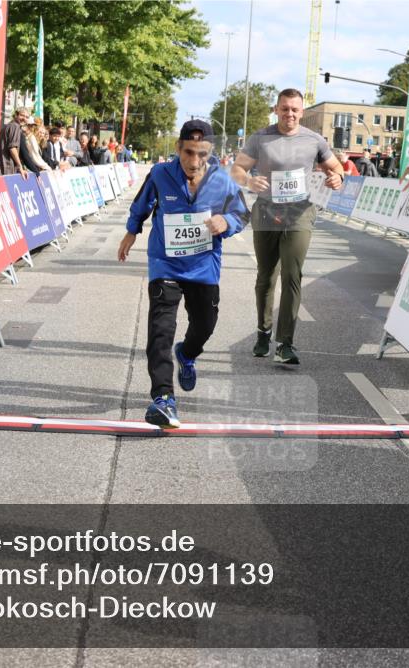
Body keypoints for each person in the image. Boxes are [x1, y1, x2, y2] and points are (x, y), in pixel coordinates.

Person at [117, 120, 249, 428]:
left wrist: (226, 222)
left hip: (204, 267)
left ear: (210, 151)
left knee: (205, 325)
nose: (193, 161)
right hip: (166, 264)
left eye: (201, 153)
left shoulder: (222, 181)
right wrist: (131, 231)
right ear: (178, 149)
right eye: (188, 152)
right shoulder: (161, 174)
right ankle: (163, 399)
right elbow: (142, 204)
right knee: (160, 329)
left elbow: (243, 213)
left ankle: (187, 355)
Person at [230, 88, 344, 365]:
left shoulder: (314, 140)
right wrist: (248, 181)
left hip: (300, 213)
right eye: (284, 108)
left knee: (292, 275)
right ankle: (263, 332)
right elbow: (237, 170)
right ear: (276, 109)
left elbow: (337, 168)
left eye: (294, 109)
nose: (289, 114)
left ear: (302, 112)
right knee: (266, 276)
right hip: (267, 212)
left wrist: (337, 178)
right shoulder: (261, 138)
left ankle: (285, 343)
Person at [0, 107, 30, 176]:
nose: (24, 118)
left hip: (3, 167)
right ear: (16, 115)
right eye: (22, 115)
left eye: (27, 117)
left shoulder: (8, 125)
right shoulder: (15, 126)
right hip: (8, 168)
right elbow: (12, 148)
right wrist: (20, 166)